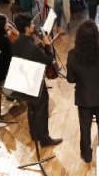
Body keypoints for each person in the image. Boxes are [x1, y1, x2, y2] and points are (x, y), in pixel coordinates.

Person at [66, 21, 99, 163]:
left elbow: (70, 79)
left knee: (85, 127)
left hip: (83, 98)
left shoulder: (72, 55)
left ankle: (87, 154)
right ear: (97, 36)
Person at [13, 13, 62, 148]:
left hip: (24, 80)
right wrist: (47, 46)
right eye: (32, 24)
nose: (34, 26)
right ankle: (45, 139)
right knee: (41, 109)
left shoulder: (17, 41)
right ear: (27, 28)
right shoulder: (32, 47)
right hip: (35, 81)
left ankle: (34, 134)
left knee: (32, 108)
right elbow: (47, 61)